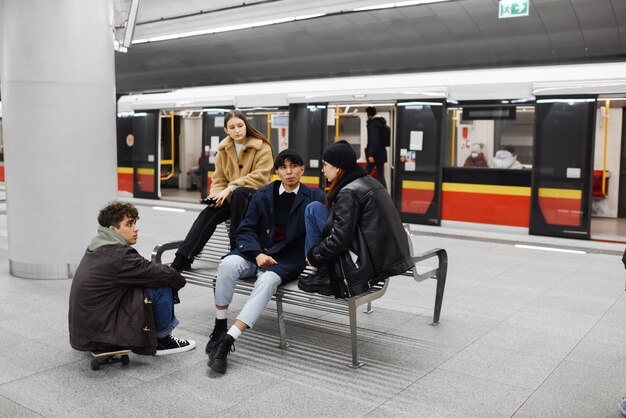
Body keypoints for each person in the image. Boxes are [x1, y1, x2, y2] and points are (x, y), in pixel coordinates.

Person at [206, 149, 324, 374]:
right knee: (228, 265)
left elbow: (317, 233)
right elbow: (246, 229)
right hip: (255, 252)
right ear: (277, 171)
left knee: (268, 281)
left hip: (287, 258)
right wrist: (257, 254)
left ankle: (228, 340)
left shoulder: (315, 197)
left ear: (302, 169)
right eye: (283, 167)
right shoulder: (263, 194)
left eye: (293, 166)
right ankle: (219, 326)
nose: (288, 172)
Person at [68, 202, 196, 356]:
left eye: (135, 223)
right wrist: (179, 280)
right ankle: (163, 341)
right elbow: (160, 273)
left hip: (86, 332)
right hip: (102, 336)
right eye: (129, 224)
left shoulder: (98, 246)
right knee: (162, 283)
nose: (136, 229)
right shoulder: (119, 255)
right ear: (113, 229)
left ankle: (158, 336)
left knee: (149, 280)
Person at [298, 140, 413, 298]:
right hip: (382, 251)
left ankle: (321, 273)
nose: (322, 169)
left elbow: (340, 239)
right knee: (315, 209)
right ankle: (321, 271)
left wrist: (315, 254)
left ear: (338, 167)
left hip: (367, 259)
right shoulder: (368, 181)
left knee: (312, 210)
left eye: (325, 164)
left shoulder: (348, 192)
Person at [171, 109, 274, 272]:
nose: (237, 130)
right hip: (234, 200)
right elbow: (218, 179)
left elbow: (261, 177)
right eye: (232, 127)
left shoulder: (262, 147)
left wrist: (231, 188)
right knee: (209, 212)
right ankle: (183, 257)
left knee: (240, 193)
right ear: (226, 130)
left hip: (257, 198)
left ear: (246, 126)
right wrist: (216, 196)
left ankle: (237, 249)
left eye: (240, 125)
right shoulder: (224, 150)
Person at [364, 106, 388, 188]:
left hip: (375, 154)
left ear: (369, 115)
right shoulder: (380, 122)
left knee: (364, 175)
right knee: (381, 175)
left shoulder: (373, 124)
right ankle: (385, 194)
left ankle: (360, 192)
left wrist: (371, 154)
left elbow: (374, 140)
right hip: (381, 153)